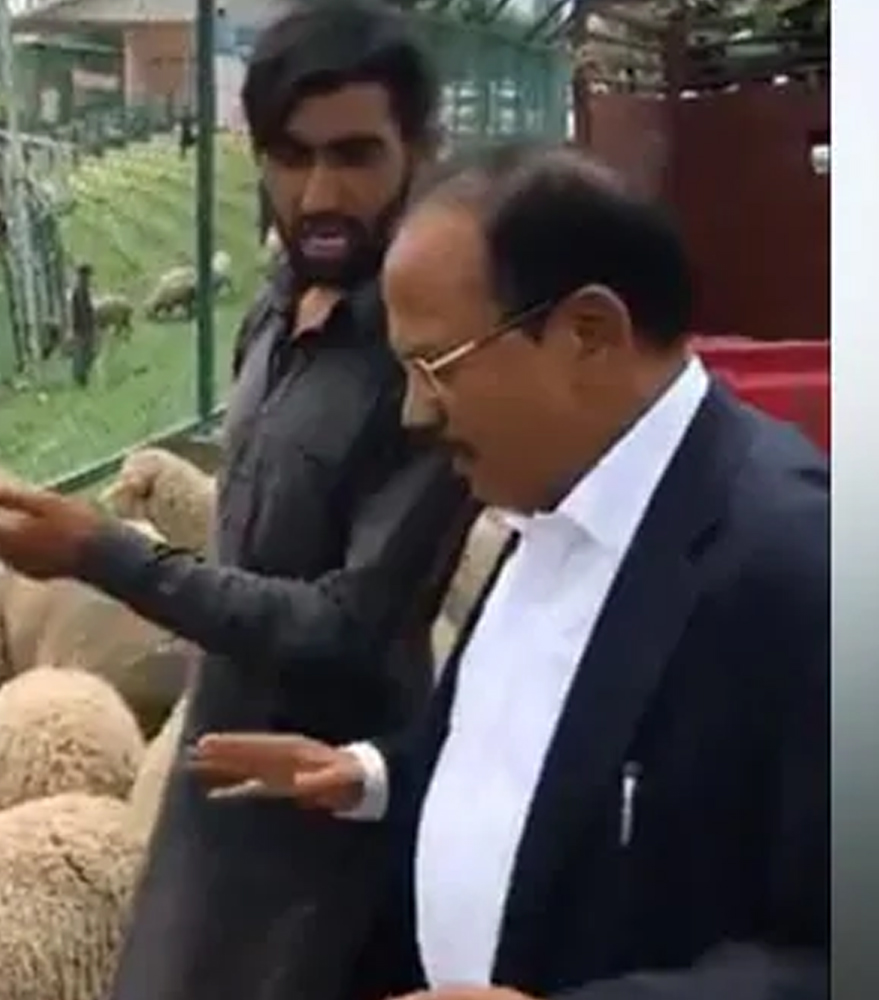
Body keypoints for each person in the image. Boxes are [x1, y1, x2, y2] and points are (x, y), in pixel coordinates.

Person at [187, 143, 831, 1000]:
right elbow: (536, 755)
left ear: (589, 335)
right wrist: (378, 775)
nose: (414, 412)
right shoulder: (545, 511)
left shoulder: (799, 570)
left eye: (435, 368)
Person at [0, 4, 475, 1000]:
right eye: (290, 156)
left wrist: (104, 554)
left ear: (418, 151)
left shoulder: (428, 359)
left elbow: (349, 626)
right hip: (213, 775)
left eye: (355, 156)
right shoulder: (275, 309)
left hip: (334, 810)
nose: (319, 193)